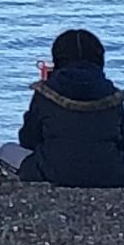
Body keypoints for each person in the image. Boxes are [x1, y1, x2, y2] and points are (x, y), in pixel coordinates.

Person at [8, 29, 124, 188]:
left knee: (7, 151)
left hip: (51, 173)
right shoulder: (113, 95)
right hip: (112, 175)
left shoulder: (46, 92)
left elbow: (28, 139)